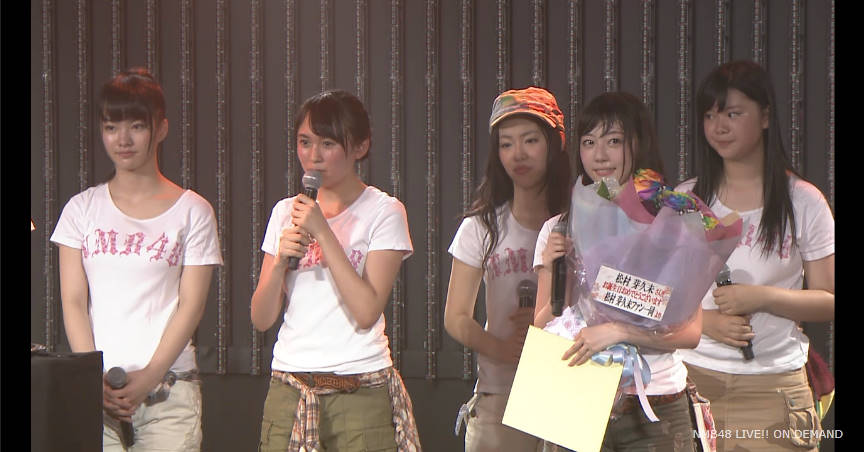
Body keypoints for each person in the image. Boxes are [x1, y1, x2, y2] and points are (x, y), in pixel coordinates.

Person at [51, 68, 223, 451]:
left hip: (169, 391)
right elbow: (74, 301)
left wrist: (149, 376)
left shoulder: (193, 211)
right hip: (98, 393)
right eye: (111, 127)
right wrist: (90, 375)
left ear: (160, 129)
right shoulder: (81, 210)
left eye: (136, 126)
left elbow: (191, 306)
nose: (123, 139)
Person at [677, 60, 834, 451]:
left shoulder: (803, 201)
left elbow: (828, 300)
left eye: (733, 114)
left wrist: (761, 298)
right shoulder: (686, 200)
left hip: (773, 388)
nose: (719, 126)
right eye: (710, 116)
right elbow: (659, 297)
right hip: (691, 380)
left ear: (765, 116)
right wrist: (706, 322)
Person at [251, 89, 421, 451]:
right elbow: (261, 318)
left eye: (327, 143)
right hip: (290, 387)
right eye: (304, 142)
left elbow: (366, 311)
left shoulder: (384, 211)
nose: (313, 156)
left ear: (360, 147)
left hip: (358, 387)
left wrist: (323, 232)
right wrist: (279, 263)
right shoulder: (285, 213)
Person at [534, 92, 700, 451]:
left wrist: (618, 331)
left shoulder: (672, 225)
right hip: (576, 394)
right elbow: (542, 325)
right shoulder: (559, 228)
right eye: (588, 142)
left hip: (654, 402)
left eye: (613, 141)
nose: (599, 155)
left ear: (638, 144)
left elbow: (690, 333)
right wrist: (553, 268)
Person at [444, 86, 571, 452]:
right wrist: (502, 350)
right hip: (501, 393)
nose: (518, 154)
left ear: (554, 143)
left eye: (530, 140)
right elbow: (456, 317)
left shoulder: (581, 222)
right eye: (506, 144)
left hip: (569, 387)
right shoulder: (481, 227)